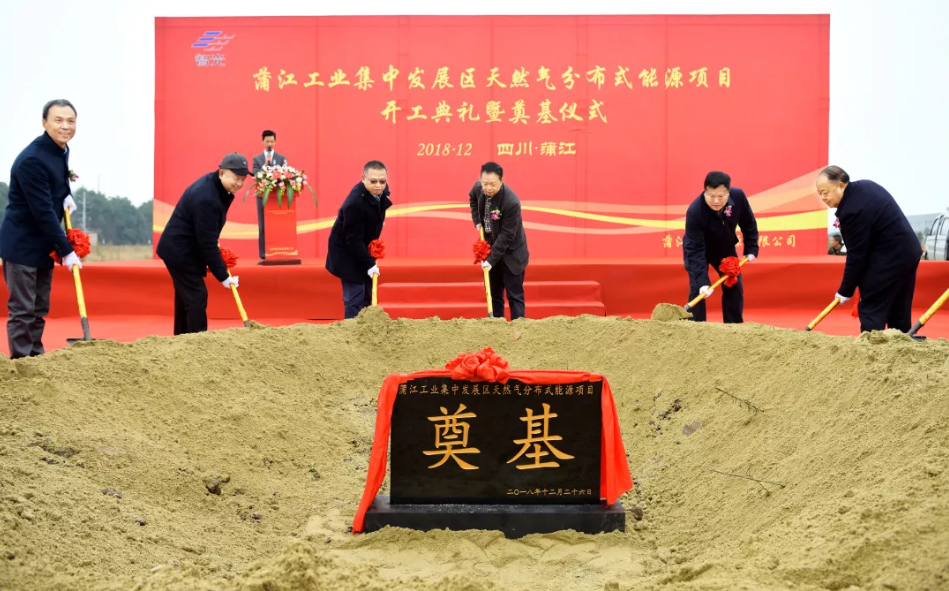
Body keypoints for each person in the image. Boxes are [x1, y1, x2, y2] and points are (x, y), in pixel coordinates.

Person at [0, 99, 82, 359]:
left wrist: (65, 195)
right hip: (23, 243)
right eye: (58, 120)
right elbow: (43, 212)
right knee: (23, 308)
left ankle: (36, 358)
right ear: (44, 123)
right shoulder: (32, 160)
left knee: (39, 307)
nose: (65, 126)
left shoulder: (60, 149)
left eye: (70, 121)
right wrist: (66, 250)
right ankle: (21, 361)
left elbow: (57, 182)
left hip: (43, 244)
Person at [816, 165, 922, 333]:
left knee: (872, 306)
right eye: (820, 193)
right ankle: (901, 341)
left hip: (891, 256)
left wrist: (845, 290)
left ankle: (871, 345)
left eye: (825, 192)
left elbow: (856, 255)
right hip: (907, 251)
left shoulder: (852, 210)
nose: (823, 198)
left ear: (841, 186)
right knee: (898, 306)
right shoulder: (865, 187)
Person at [156, 153, 248, 335]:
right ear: (221, 173)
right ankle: (198, 343)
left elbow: (207, 235)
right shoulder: (207, 198)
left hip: (186, 248)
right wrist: (223, 276)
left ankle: (182, 339)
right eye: (236, 178)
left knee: (185, 297)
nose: (239, 183)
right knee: (197, 295)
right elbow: (207, 243)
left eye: (243, 179)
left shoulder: (216, 187)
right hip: (179, 251)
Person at [682, 171, 759, 323]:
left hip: (724, 249)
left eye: (721, 196)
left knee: (733, 283)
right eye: (711, 196)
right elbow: (695, 250)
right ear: (705, 192)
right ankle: (696, 328)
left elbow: (748, 223)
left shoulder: (738, 197)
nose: (716, 201)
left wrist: (751, 248)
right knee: (698, 288)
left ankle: (733, 326)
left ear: (728, 193)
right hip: (699, 250)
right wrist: (703, 282)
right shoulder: (695, 211)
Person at [325, 160, 392, 319]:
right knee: (355, 294)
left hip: (362, 248)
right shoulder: (354, 204)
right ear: (363, 178)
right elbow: (353, 240)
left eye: (382, 181)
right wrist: (369, 264)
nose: (378, 186)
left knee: (368, 293)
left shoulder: (380, 191)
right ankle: (351, 330)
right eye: (373, 181)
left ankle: (367, 328)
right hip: (346, 252)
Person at [468, 162, 530, 320]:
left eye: (493, 184)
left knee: (515, 296)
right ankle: (496, 327)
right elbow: (472, 199)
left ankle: (518, 329)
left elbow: (507, 236)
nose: (488, 188)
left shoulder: (511, 202)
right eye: (485, 183)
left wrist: (490, 260)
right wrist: (477, 221)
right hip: (490, 246)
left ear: (501, 181)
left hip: (511, 253)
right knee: (494, 294)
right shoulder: (478, 188)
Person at [251, 130, 289, 264]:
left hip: (277, 196)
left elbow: (286, 174)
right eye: (267, 141)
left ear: (275, 142)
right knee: (263, 225)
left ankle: (279, 251)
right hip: (262, 196)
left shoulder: (281, 158)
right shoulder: (257, 159)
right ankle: (263, 254)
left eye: (272, 141)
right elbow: (255, 176)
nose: (269, 144)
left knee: (277, 224)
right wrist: (265, 165)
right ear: (263, 142)